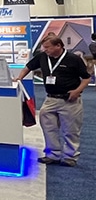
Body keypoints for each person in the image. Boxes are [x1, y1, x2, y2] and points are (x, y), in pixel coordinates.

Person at [15, 35, 89, 167]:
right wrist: (19, 78)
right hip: (50, 99)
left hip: (70, 100)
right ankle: (53, 154)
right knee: (48, 127)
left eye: (48, 47)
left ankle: (70, 157)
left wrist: (77, 91)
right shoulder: (42, 57)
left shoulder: (74, 59)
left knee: (71, 130)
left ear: (58, 46)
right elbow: (28, 67)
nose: (45, 50)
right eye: (44, 47)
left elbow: (86, 78)